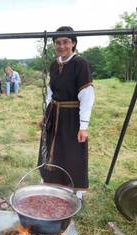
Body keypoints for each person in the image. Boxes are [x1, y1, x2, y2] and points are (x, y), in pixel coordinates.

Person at [37, 26, 95, 200]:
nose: (61, 46)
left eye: (65, 42)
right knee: (50, 149)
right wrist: (45, 116)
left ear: (73, 43)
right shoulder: (54, 64)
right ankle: (51, 183)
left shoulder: (80, 63)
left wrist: (83, 126)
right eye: (57, 42)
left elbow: (87, 96)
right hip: (54, 113)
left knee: (72, 152)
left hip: (71, 116)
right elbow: (50, 92)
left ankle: (76, 191)